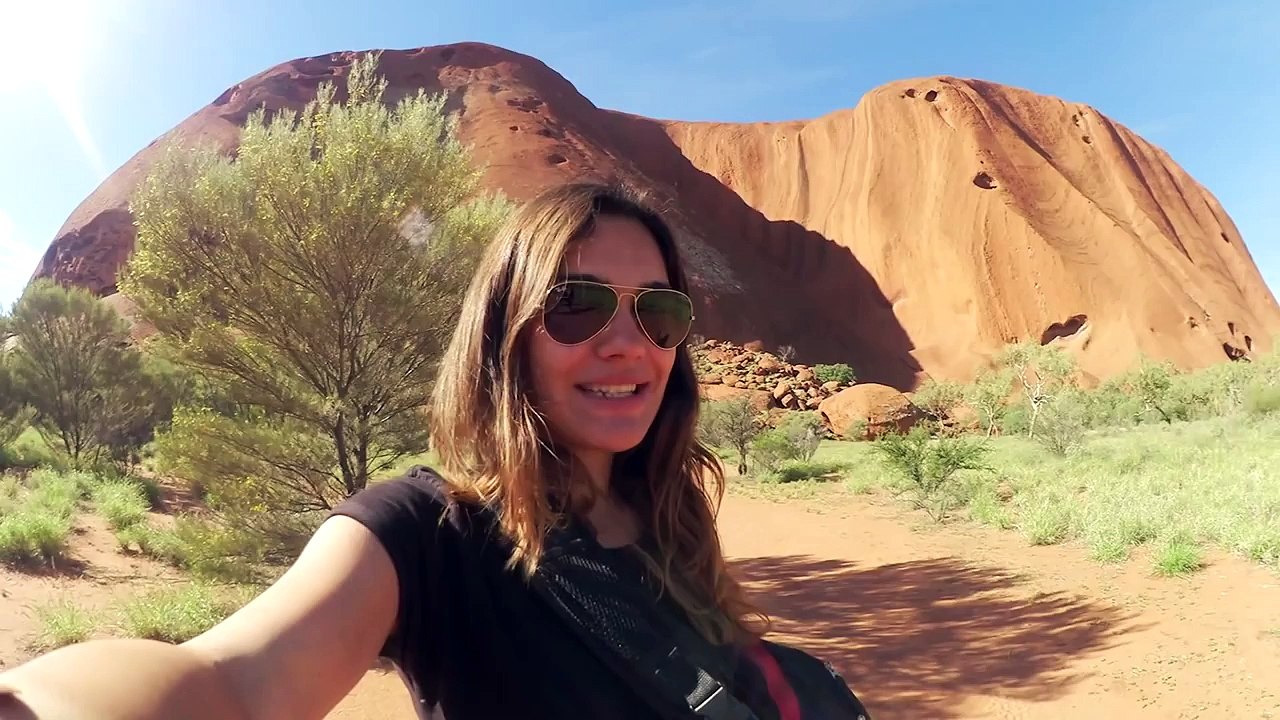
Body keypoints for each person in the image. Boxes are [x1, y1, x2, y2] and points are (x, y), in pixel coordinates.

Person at [0, 181, 827, 720]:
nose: (627, 343)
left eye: (659, 313)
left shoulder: (665, 509)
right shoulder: (426, 531)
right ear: (507, 336)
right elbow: (232, 680)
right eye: (575, 307)